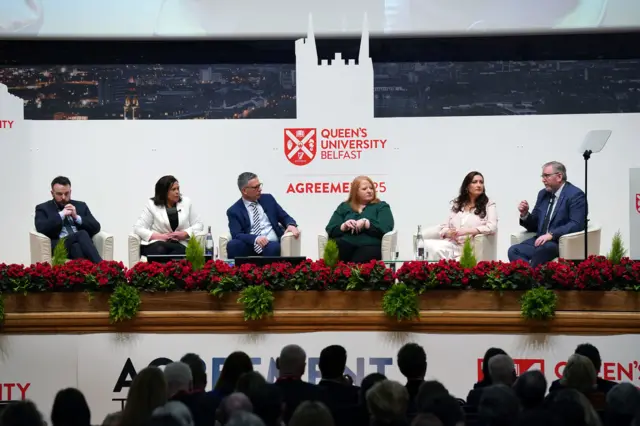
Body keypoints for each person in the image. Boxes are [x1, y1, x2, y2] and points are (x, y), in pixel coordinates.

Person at [508, 161, 587, 266]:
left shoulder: (575, 195)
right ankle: (532, 278)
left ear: (559, 177)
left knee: (541, 251)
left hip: (558, 242)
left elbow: (576, 223)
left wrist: (552, 234)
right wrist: (525, 214)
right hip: (540, 240)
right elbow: (534, 225)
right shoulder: (543, 194)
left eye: (546, 176)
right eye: (542, 176)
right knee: (513, 250)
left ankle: (528, 279)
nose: (543, 180)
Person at [423, 171, 497, 260]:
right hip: (453, 244)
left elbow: (492, 227)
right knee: (426, 244)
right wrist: (448, 233)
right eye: (474, 182)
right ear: (467, 186)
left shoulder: (489, 204)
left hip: (470, 246)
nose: (479, 185)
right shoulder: (458, 204)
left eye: (481, 182)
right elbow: (444, 226)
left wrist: (467, 231)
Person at [226, 172, 299, 259]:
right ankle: (238, 272)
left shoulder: (268, 199)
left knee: (273, 247)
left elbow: (285, 217)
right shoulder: (234, 210)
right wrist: (256, 238)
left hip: (270, 242)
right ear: (244, 191)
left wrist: (291, 224)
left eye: (259, 185)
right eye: (255, 187)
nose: (260, 189)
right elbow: (236, 234)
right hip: (250, 243)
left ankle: (269, 273)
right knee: (233, 245)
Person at [325, 175, 394, 263]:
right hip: (346, 243)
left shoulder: (381, 206)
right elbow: (331, 228)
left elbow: (386, 228)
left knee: (359, 260)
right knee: (337, 247)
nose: (369, 191)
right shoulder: (344, 207)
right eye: (364, 189)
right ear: (356, 192)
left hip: (370, 245)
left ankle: (351, 273)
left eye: (371, 188)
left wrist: (366, 224)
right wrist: (344, 226)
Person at [34, 176, 102, 263]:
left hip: (79, 245)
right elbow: (41, 228)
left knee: (76, 247)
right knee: (81, 234)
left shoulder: (81, 205)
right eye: (59, 194)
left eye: (66, 193)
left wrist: (76, 217)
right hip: (59, 244)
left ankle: (86, 274)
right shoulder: (43, 208)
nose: (63, 197)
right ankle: (102, 267)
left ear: (70, 192)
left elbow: (96, 227)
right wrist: (61, 215)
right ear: (52, 193)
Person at [134, 175, 203, 258]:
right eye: (173, 189)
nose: (177, 192)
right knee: (160, 249)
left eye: (178, 188)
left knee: (178, 253)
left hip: (179, 244)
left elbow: (199, 224)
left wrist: (185, 234)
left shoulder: (186, 203)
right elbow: (138, 228)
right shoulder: (152, 205)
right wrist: (160, 236)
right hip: (158, 244)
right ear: (164, 191)